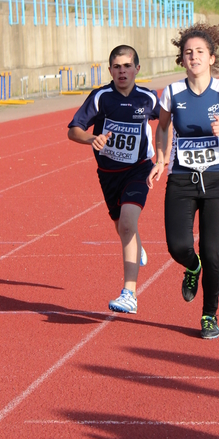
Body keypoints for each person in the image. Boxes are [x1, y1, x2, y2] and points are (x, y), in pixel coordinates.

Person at [147, 23, 219, 340]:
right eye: (188, 52)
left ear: (211, 57)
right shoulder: (173, 93)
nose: (194, 57)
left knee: (213, 252)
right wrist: (162, 158)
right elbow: (161, 128)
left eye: (199, 52)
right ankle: (192, 267)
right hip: (181, 179)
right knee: (179, 247)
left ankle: (209, 315)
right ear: (182, 59)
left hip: (216, 180)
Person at [67, 45, 160, 314]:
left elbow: (166, 118)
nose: (122, 71)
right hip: (108, 174)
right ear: (110, 70)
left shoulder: (147, 99)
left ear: (137, 69)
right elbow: (74, 130)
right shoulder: (101, 98)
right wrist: (90, 138)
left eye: (127, 66)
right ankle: (136, 247)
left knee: (129, 225)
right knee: (123, 228)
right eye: (117, 66)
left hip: (139, 169)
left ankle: (129, 294)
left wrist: (164, 157)